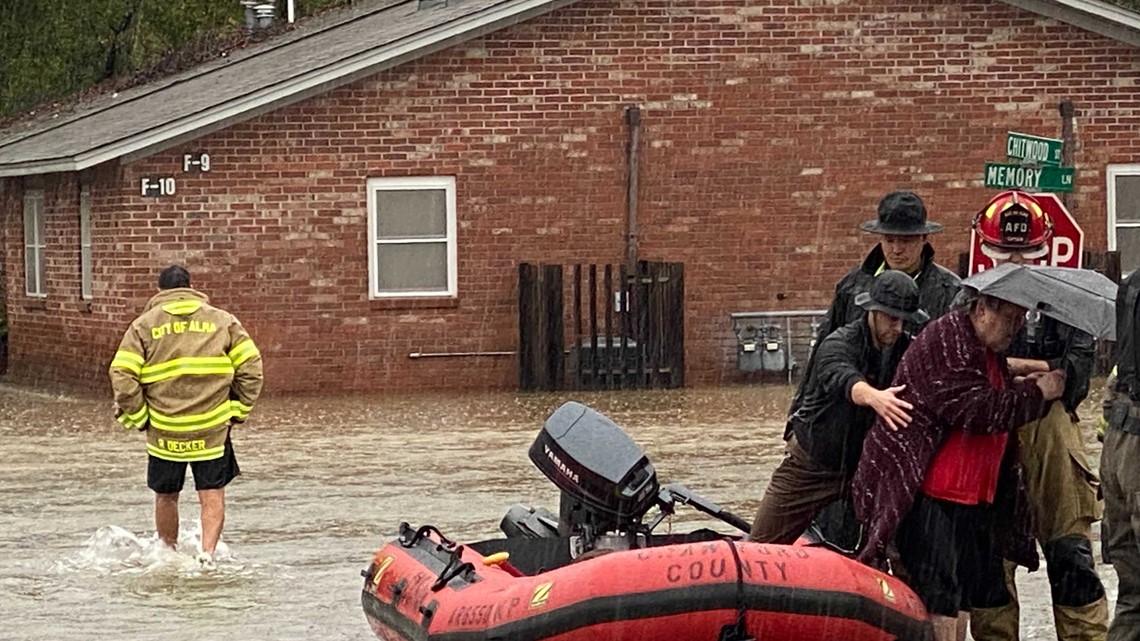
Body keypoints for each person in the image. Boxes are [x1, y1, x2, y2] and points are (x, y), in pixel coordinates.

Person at [851, 289, 1064, 641]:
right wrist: (1039, 393)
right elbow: (978, 409)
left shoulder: (987, 350)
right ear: (982, 309)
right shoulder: (947, 339)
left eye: (1022, 320)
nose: (1017, 329)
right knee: (940, 595)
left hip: (973, 495)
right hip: (932, 494)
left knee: (964, 592)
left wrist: (1020, 385)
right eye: (1011, 319)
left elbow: (989, 392)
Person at [966, 190, 1107, 641]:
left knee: (1072, 562)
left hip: (1054, 441)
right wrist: (1044, 369)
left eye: (1025, 250)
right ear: (988, 251)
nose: (1016, 259)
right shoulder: (967, 303)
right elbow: (960, 376)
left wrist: (1015, 367)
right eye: (1006, 250)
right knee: (988, 569)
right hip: (990, 442)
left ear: (1044, 249)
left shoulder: (1071, 301)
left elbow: (1077, 377)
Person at [749, 271, 925, 544]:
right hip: (812, 463)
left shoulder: (908, 349)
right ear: (873, 311)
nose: (899, 328)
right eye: (892, 319)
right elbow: (842, 376)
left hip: (866, 468)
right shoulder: (838, 343)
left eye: (904, 321)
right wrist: (874, 396)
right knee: (761, 543)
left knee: (901, 546)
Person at [109, 265, 263, 566]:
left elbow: (122, 375)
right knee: (211, 492)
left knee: (166, 494)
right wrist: (239, 410)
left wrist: (140, 416)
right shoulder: (223, 321)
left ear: (160, 291)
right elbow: (252, 370)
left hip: (164, 430)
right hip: (212, 428)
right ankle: (207, 554)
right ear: (191, 288)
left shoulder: (143, 325)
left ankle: (167, 554)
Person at [1102, 269, 1140, 641]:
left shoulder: (1130, 285)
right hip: (1128, 441)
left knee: (1131, 590)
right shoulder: (1130, 287)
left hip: (1119, 435)